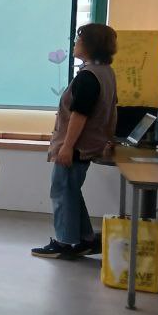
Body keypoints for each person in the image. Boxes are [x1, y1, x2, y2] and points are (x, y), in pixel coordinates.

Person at [32, 23, 118, 260]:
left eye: (78, 40)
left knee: (62, 191)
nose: (74, 44)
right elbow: (112, 110)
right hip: (91, 144)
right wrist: (109, 139)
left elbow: (80, 115)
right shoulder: (106, 72)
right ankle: (85, 238)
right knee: (71, 190)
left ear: (90, 46)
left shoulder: (88, 77)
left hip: (77, 146)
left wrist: (67, 146)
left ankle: (66, 242)